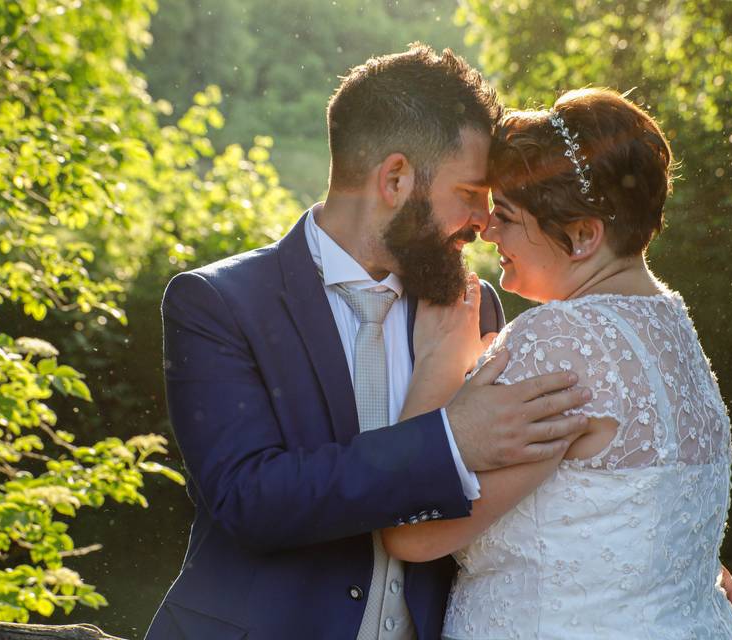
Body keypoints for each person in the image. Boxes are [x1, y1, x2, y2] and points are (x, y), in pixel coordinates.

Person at [144, 45, 593, 640]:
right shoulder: (217, 303)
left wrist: (669, 562)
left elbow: (526, 478)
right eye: (470, 193)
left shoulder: (470, 302)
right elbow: (251, 500)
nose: (486, 221)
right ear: (396, 178)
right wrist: (450, 439)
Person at [382, 88, 732, 638]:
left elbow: (412, 533)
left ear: (582, 236)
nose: (487, 229)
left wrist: (438, 360)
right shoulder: (672, 324)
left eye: (506, 215)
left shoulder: (560, 340)